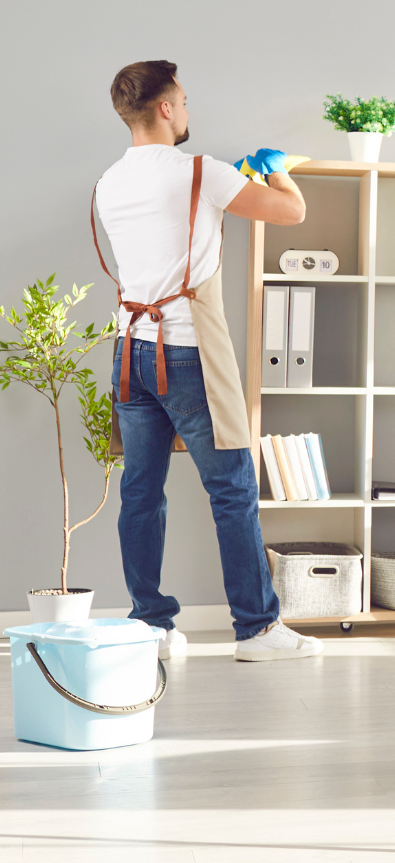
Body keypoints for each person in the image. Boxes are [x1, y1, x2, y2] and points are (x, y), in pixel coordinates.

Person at [92, 60, 325, 662]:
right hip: (187, 350)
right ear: (166, 108)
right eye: (185, 101)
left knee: (141, 494)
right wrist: (278, 173)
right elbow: (290, 213)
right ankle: (258, 629)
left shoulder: (110, 181)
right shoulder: (202, 170)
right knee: (232, 491)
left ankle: (153, 625)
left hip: (129, 352)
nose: (188, 111)